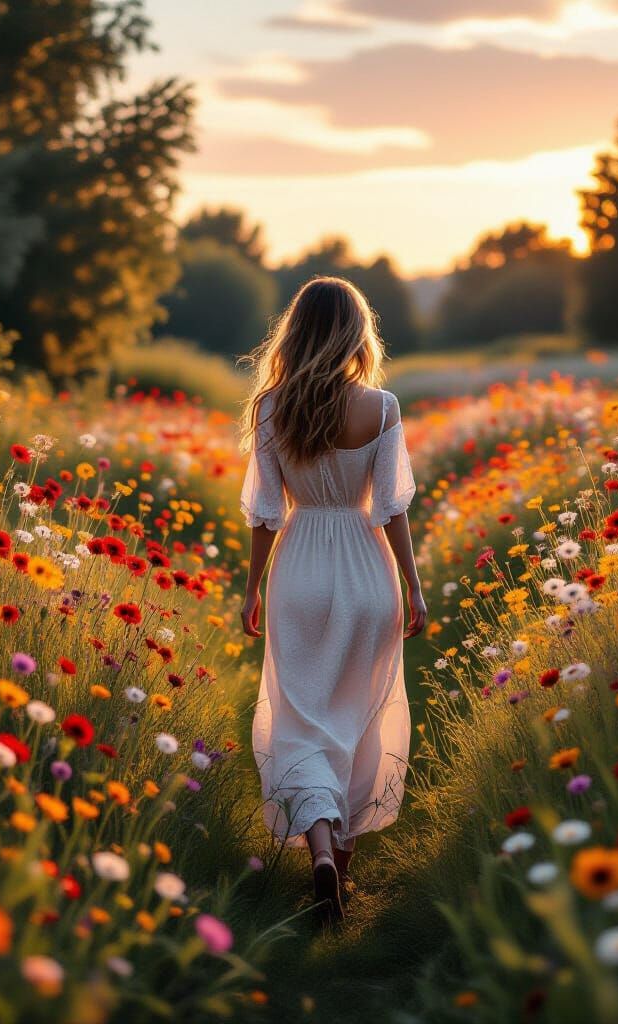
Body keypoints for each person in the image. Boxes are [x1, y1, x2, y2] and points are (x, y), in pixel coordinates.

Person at [239, 276, 426, 923]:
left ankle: (317, 847)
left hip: (300, 570)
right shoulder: (382, 407)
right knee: (357, 715)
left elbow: (265, 513)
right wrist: (413, 585)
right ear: (355, 331)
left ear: (296, 330)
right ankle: (339, 868)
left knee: (300, 716)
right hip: (366, 570)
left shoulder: (271, 408)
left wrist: (253, 588)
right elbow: (392, 509)